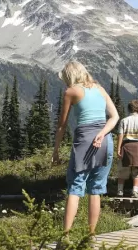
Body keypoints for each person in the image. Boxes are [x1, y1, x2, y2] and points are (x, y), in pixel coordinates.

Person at [52, 61, 119, 247]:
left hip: (84, 140)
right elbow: (115, 116)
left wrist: (56, 150)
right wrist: (102, 133)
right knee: (95, 189)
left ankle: (65, 236)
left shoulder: (71, 91)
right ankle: (91, 236)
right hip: (105, 141)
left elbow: (62, 125)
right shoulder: (100, 89)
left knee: (75, 187)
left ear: (69, 76)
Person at [115, 99, 138, 198]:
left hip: (126, 145)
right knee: (137, 171)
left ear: (129, 109)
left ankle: (120, 191)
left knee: (123, 169)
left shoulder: (124, 121)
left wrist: (118, 149)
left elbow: (120, 135)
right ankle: (135, 191)